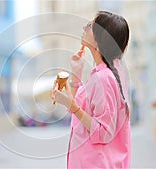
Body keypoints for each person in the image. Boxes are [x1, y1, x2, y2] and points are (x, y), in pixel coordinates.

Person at [51, 11, 131, 168]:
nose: (84, 27)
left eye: (89, 25)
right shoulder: (103, 74)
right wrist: (76, 73)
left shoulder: (104, 78)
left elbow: (103, 132)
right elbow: (81, 110)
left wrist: (72, 106)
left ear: (100, 38)